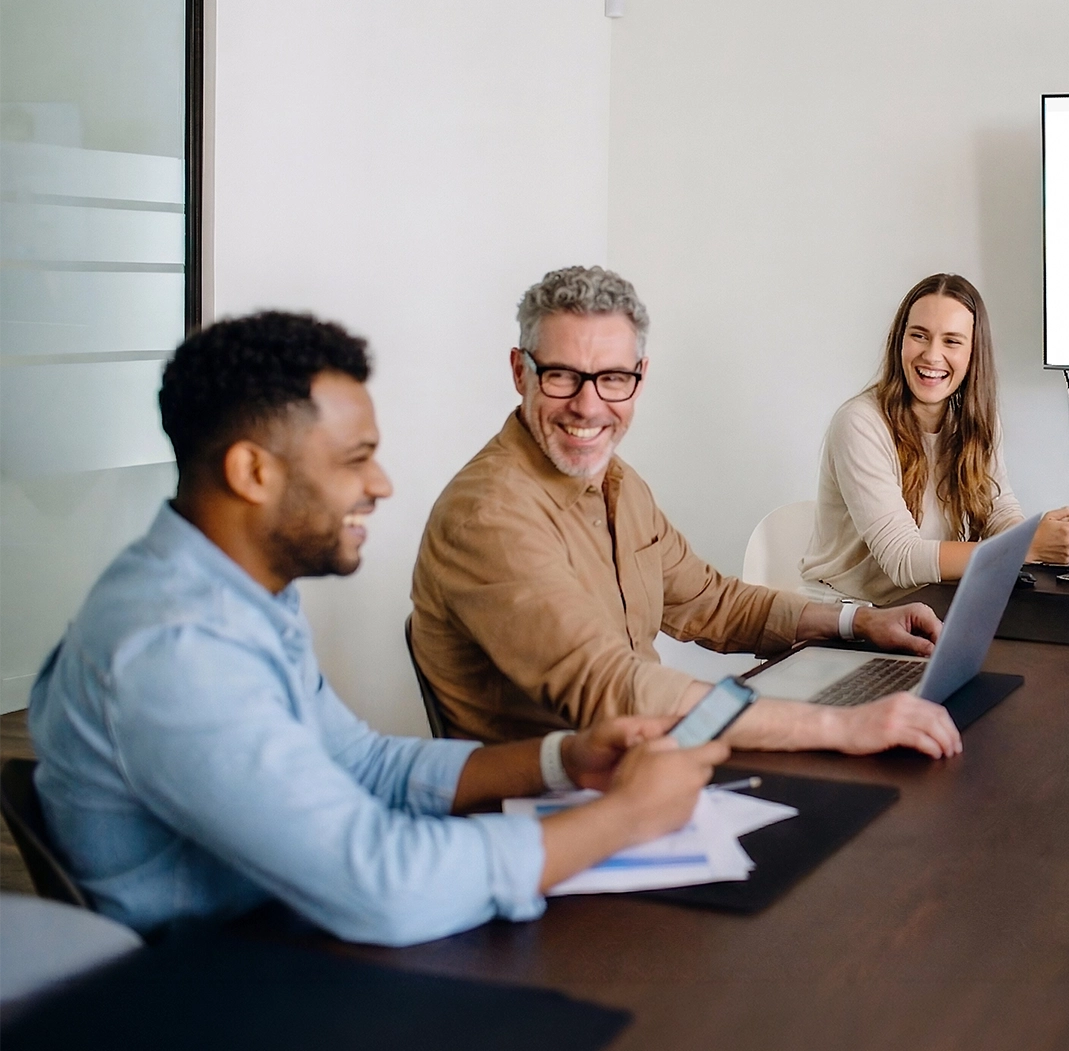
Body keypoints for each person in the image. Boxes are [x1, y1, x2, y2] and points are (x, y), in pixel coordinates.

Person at [30, 313, 721, 946]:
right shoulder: (178, 646)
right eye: (355, 458)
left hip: (300, 938)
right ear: (252, 472)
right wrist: (626, 816)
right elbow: (383, 885)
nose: (382, 483)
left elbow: (367, 767)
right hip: (225, 995)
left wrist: (563, 759)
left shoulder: (234, 598)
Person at [411, 266, 962, 759]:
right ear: (519, 372)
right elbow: (613, 690)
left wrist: (858, 620)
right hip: (554, 810)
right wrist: (839, 725)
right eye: (560, 375)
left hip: (648, 763)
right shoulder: (488, 516)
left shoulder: (619, 485)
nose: (588, 404)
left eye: (612, 378)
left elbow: (713, 603)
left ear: (640, 377)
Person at [801, 274, 1069, 604]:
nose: (932, 356)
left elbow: (997, 512)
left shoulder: (977, 419)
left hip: (932, 602)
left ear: (973, 353)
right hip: (850, 615)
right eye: (919, 336)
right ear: (900, 341)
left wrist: (1051, 536)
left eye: (951, 341)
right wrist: (1028, 545)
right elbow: (903, 560)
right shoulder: (860, 423)